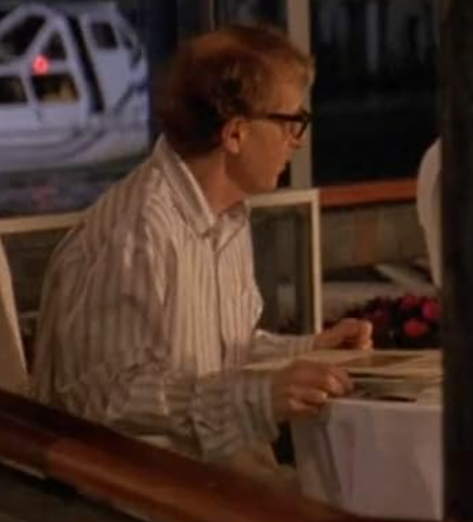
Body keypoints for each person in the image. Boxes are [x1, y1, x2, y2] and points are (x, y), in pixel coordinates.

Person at [31, 24, 372, 479]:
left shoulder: (226, 216)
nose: (299, 139)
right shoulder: (136, 231)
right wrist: (259, 398)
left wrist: (310, 351)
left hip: (215, 480)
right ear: (235, 134)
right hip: (151, 493)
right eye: (291, 122)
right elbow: (107, 396)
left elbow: (221, 352)